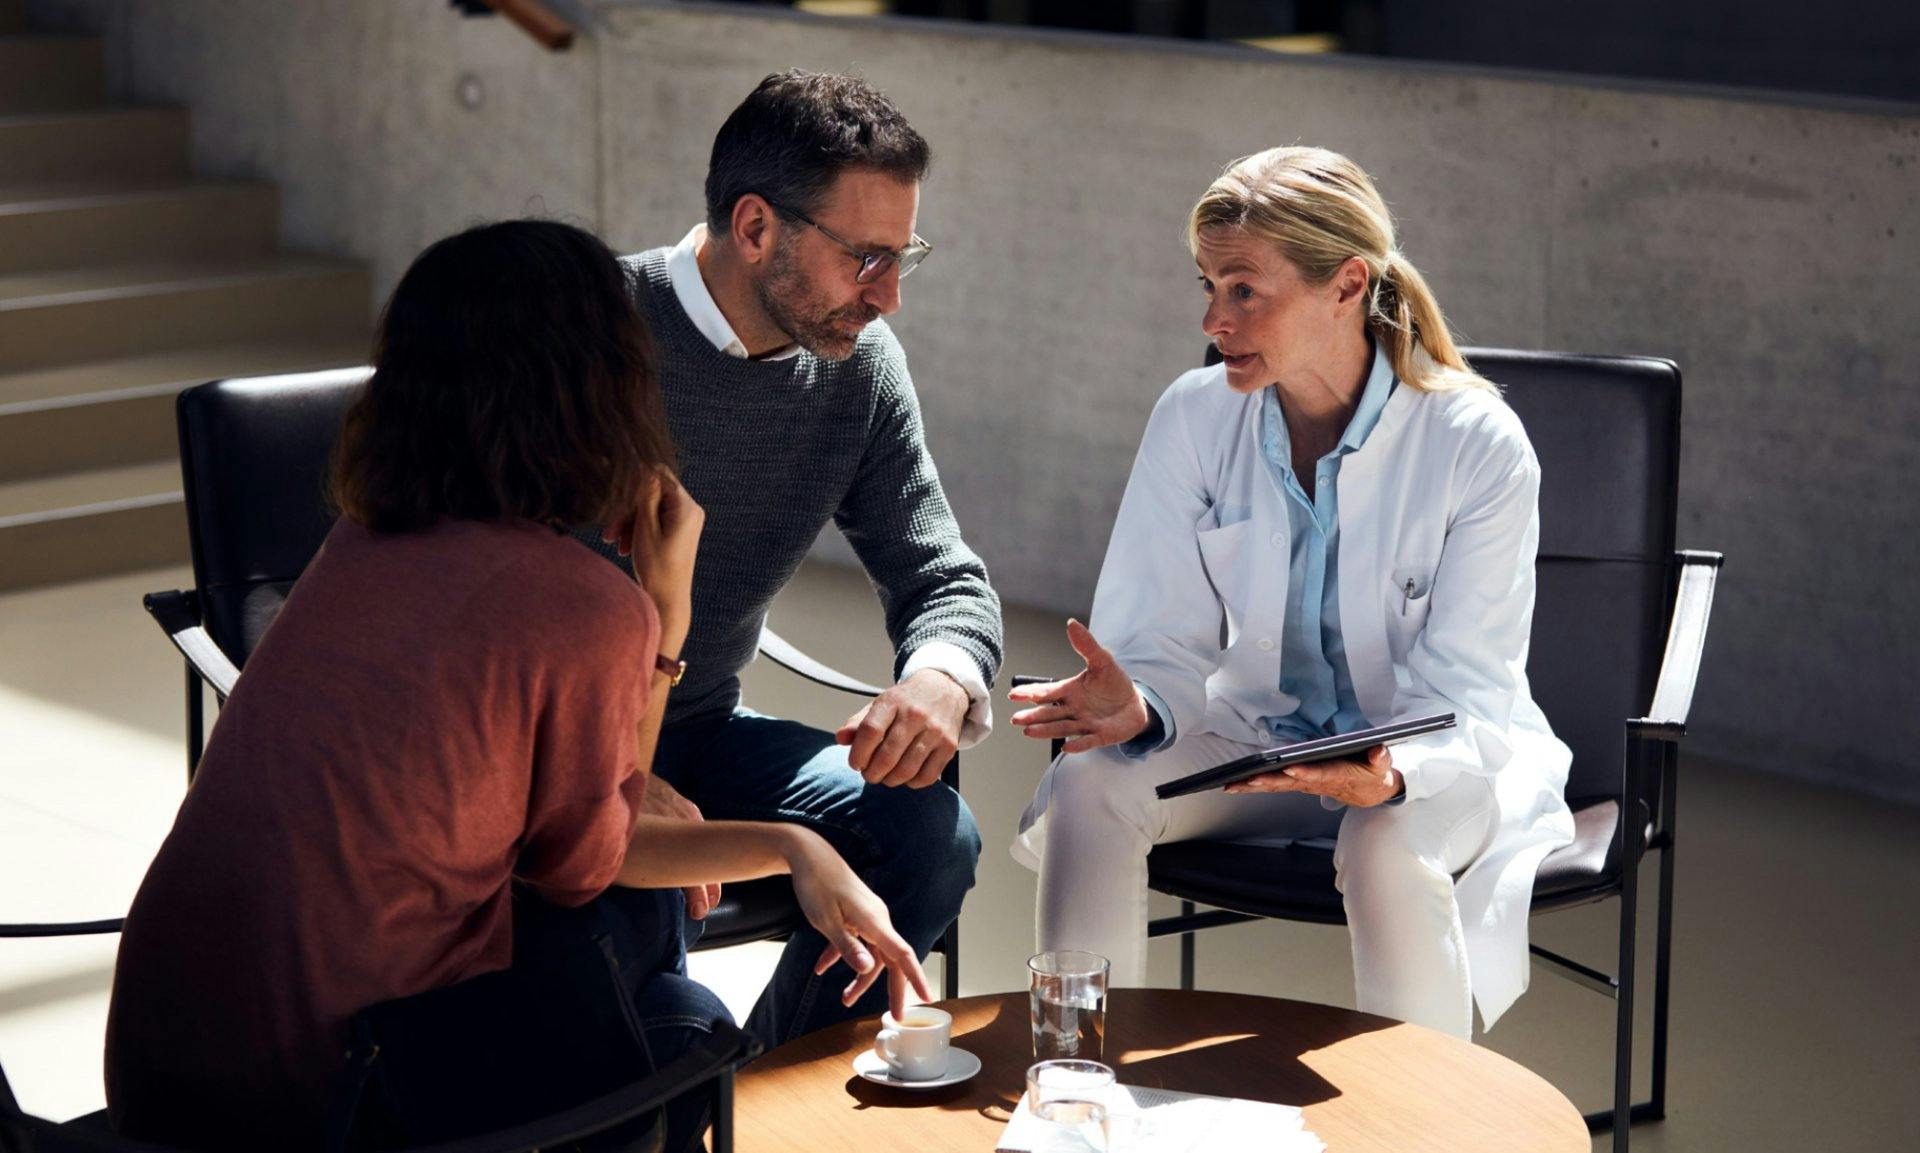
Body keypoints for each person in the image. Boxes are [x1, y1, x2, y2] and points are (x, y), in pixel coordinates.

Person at [104, 220, 929, 1151]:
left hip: (164, 1069)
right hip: (329, 1101)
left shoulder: (362, 541)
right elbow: (589, 865)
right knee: (678, 1009)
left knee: (637, 938)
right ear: (603, 389)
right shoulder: (579, 606)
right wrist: (667, 621)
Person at [1008, 147, 1576, 1040]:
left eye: (1243, 290)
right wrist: (1140, 700)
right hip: (1261, 740)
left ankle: (1422, 1130)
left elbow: (1468, 690)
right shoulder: (1194, 415)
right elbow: (1161, 632)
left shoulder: (1478, 443)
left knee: (1385, 844)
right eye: (1207, 284)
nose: (1213, 318)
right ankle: (1078, 1084)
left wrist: (1391, 775)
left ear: (1347, 284)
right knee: (1089, 787)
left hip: (1440, 758)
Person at [573, 70, 1001, 1047]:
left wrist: (940, 675)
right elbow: (499, 597)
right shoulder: (588, 334)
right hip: (555, 757)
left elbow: (943, 570)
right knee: (625, 906)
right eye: (865, 258)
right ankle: (672, 1099)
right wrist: (612, 772)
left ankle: (767, 1088)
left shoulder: (857, 372)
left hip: (702, 727)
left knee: (933, 835)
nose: (887, 296)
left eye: (905, 257)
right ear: (757, 227)